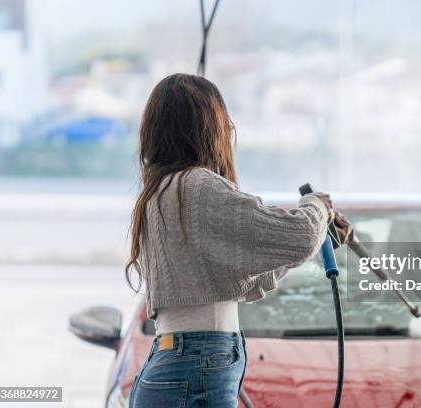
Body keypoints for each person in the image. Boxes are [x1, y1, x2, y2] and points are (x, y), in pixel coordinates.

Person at [126, 73, 353, 408]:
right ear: (208, 127)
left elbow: (239, 283)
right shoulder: (199, 187)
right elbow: (301, 234)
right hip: (199, 362)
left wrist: (316, 240)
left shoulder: (158, 194)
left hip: (176, 361)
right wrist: (317, 206)